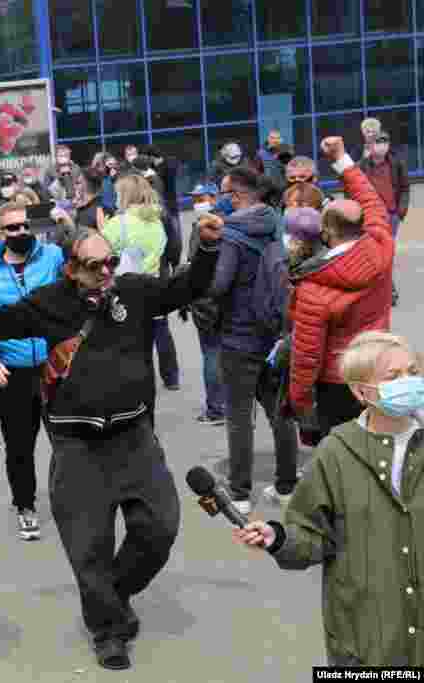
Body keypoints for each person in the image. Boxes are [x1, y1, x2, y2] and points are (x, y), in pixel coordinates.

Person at [0, 216, 223, 671]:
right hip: (76, 445)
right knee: (89, 548)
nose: (106, 273)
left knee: (159, 528)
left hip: (134, 437)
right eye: (94, 266)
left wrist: (206, 245)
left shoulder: (135, 291)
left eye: (111, 263)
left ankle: (113, 592)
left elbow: (188, 287)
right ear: (70, 269)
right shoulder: (48, 302)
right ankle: (107, 629)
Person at [234, 330, 424, 667]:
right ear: (360, 391)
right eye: (393, 377)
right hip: (364, 642)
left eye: (413, 372)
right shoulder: (335, 453)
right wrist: (279, 538)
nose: (408, 383)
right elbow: (311, 537)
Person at [0, 202, 64, 541]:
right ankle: (25, 506)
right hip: (13, 373)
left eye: (24, 226)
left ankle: (72, 500)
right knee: (19, 447)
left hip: (55, 368)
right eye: (12, 228)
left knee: (67, 442)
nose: (20, 233)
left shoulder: (52, 256)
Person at [205, 166, 299, 513]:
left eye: (225, 193)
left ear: (238, 195)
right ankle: (287, 485)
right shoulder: (275, 222)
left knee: (239, 416)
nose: (221, 200)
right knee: (279, 412)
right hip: (273, 333)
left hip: (238, 336)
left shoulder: (232, 235)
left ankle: (240, 493)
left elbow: (219, 284)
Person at [289, 136, 394, 442]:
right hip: (377, 369)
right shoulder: (381, 245)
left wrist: (300, 400)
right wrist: (342, 158)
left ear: (327, 232)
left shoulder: (314, 285)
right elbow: (372, 202)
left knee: (342, 463)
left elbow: (307, 352)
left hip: (337, 384)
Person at [102, 174, 181, 393]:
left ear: (125, 196)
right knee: (160, 332)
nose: (115, 198)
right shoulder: (156, 221)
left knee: (130, 342)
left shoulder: (119, 223)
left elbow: (101, 249)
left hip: (126, 289)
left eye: (117, 194)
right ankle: (171, 377)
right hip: (153, 284)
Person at [186, 182, 226, 425]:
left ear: (214, 197)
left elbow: (195, 262)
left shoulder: (210, 226)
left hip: (208, 300)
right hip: (215, 299)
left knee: (212, 353)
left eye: (202, 197)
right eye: (195, 198)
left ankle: (217, 408)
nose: (197, 202)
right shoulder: (223, 222)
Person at [358, 131, 408, 306]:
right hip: (371, 217)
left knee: (387, 253)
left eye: (385, 142)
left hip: (391, 215)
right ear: (370, 146)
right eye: (378, 142)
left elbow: (404, 188)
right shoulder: (361, 166)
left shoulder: (397, 164)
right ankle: (383, 289)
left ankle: (387, 289)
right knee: (374, 253)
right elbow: (351, 189)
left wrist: (401, 211)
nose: (382, 145)